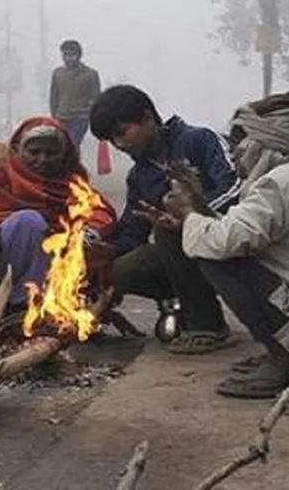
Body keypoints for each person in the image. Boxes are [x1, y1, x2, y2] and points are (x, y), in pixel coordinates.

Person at [141, 89, 289, 398]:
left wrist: (187, 209)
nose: (235, 153)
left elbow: (223, 242)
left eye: (240, 142)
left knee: (216, 258)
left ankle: (286, 358)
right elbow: (237, 229)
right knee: (215, 245)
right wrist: (196, 206)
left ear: (264, 144)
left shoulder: (278, 185)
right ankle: (284, 349)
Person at [89, 85, 241, 354]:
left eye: (123, 133)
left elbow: (235, 187)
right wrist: (107, 248)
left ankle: (208, 326)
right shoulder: (139, 176)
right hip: (188, 253)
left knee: (167, 231)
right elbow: (133, 230)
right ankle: (182, 304)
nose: (120, 145)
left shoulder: (200, 140)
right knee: (122, 269)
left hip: (232, 238)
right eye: (113, 140)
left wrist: (192, 217)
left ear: (147, 118)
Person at [0, 116, 116, 314]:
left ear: (65, 155)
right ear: (17, 151)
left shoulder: (74, 187)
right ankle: (21, 306)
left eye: (51, 153)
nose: (42, 159)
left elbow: (101, 213)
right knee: (28, 221)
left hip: (47, 280)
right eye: (34, 152)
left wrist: (85, 236)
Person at [50, 39, 101, 148]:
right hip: (61, 117)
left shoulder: (90, 74)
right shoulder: (58, 73)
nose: (68, 58)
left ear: (79, 55)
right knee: (61, 145)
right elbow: (54, 96)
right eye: (65, 55)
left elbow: (97, 99)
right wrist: (54, 116)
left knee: (73, 144)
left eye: (72, 55)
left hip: (80, 118)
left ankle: (72, 164)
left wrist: (87, 110)